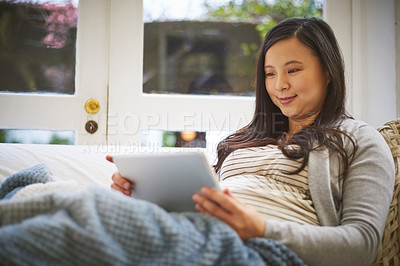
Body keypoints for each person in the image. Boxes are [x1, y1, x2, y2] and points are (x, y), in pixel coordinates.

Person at [108, 17, 395, 266]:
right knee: (95, 209)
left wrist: (261, 229)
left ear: (329, 72)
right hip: (198, 236)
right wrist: (143, 194)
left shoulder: (359, 139)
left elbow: (362, 245)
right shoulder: (244, 140)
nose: (279, 84)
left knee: (83, 213)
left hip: (263, 251)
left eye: (293, 70)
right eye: (270, 74)